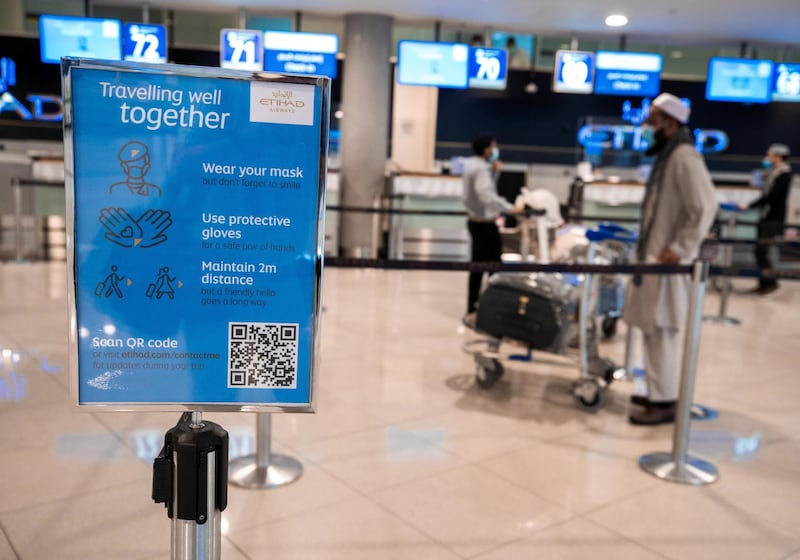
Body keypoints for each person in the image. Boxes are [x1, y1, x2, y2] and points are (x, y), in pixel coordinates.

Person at [624, 93, 717, 425]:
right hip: (655, 259)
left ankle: (665, 401)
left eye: (653, 118)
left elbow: (705, 206)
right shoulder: (668, 157)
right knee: (653, 329)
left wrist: (679, 249)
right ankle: (657, 390)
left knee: (662, 330)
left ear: (670, 123)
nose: (647, 125)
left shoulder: (684, 156)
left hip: (668, 262)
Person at [462, 136, 522, 314]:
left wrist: (495, 172)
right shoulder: (480, 168)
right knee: (493, 267)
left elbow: (486, 190)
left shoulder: (472, 164)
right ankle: (493, 307)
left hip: (475, 221)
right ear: (486, 149)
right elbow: (486, 196)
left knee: (478, 267)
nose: (495, 150)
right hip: (485, 225)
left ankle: (473, 306)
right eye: (493, 146)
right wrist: (510, 208)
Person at [740, 144, 793, 295]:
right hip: (765, 216)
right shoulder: (772, 173)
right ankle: (763, 283)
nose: (768, 157)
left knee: (762, 251)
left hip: (773, 218)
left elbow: (771, 197)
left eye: (770, 155)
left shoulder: (784, 174)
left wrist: (750, 205)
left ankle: (771, 282)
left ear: (778, 156)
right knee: (760, 252)